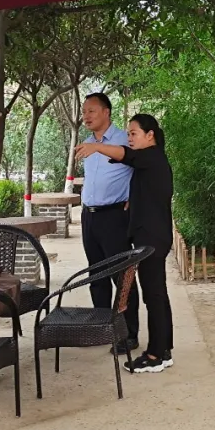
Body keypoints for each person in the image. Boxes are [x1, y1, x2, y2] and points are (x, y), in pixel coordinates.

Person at [75, 114, 175, 373]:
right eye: (128, 133)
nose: (129, 138)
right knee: (157, 295)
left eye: (134, 133)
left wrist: (96, 147)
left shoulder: (151, 156)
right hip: (152, 236)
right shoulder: (152, 161)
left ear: (150, 135)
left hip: (152, 238)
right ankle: (164, 349)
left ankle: (155, 355)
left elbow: (125, 155)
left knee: (154, 296)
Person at [77, 92, 140, 354]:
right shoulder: (87, 144)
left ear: (106, 112)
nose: (86, 116)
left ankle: (129, 334)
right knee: (97, 276)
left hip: (114, 216)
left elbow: (144, 169)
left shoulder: (125, 140)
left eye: (91, 111)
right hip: (89, 217)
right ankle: (104, 329)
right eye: (84, 112)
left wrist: (134, 199)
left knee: (122, 276)